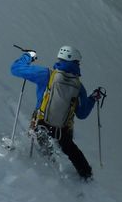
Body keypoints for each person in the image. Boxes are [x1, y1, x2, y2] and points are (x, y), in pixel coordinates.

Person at [10, 45, 104, 181]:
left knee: (44, 154)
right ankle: (87, 176)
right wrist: (93, 98)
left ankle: (46, 176)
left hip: (40, 124)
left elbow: (15, 69)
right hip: (63, 131)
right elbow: (82, 114)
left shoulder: (47, 75)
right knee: (71, 150)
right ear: (76, 63)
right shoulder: (79, 86)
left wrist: (29, 55)